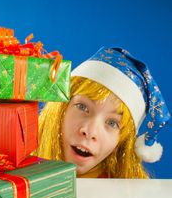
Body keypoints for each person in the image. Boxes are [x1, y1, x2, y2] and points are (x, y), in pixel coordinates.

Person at [36, 47, 170, 178]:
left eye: (112, 123)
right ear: (60, 109)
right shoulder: (19, 170)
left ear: (121, 143)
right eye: (82, 107)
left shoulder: (125, 197)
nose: (90, 132)